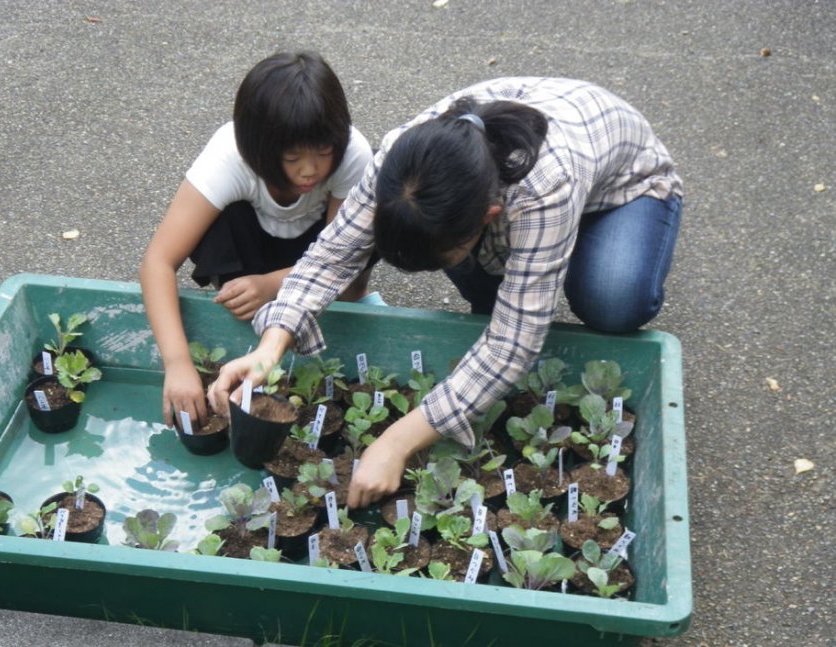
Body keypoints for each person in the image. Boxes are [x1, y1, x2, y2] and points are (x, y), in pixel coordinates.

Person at [208, 77, 683, 508]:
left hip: (626, 187)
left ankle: (577, 251)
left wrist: (394, 442)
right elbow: (332, 254)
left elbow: (512, 342)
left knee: (609, 298)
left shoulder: (546, 186)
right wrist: (269, 349)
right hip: (511, 187)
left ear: (488, 217)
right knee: (485, 280)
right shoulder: (403, 161)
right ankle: (522, 260)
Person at [140, 51, 378, 429]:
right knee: (213, 220)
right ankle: (243, 311)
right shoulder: (228, 157)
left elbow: (341, 259)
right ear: (259, 149)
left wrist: (270, 285)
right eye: (292, 156)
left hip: (319, 258)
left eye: (322, 151)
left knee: (370, 222)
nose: (309, 169)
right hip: (254, 249)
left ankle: (355, 306)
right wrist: (178, 364)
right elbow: (158, 262)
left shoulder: (353, 155)